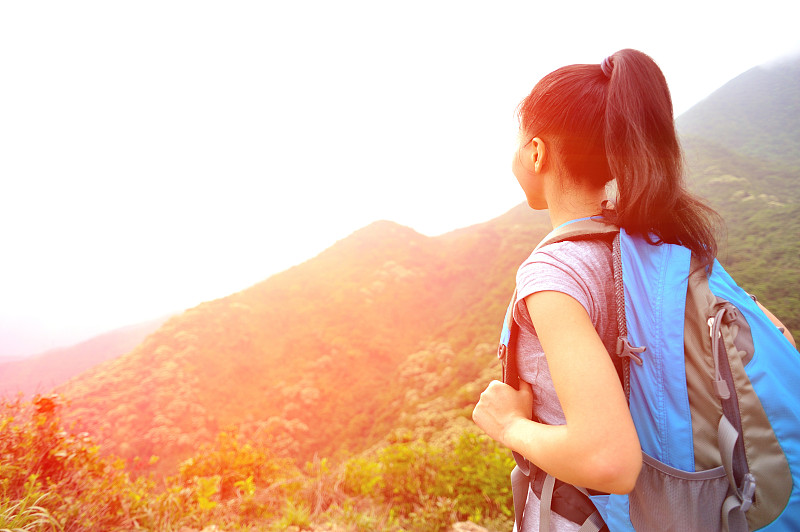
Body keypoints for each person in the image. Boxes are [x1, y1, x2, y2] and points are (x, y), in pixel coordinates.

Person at [471, 49, 796, 532]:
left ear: (536, 152)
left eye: (520, 142)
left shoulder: (554, 273)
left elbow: (610, 461)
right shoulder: (664, 248)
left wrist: (509, 426)